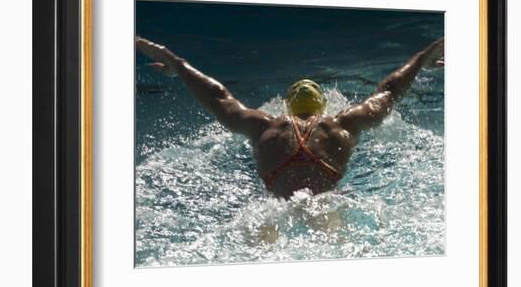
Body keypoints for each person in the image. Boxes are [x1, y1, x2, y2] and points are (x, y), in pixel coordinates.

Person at [136, 36, 444, 200]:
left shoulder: (265, 127)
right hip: (327, 205)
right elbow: (388, 91)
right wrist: (422, 58)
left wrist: (179, 65)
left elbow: (220, 97)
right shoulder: (341, 125)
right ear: (323, 106)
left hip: (273, 209)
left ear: (286, 107)